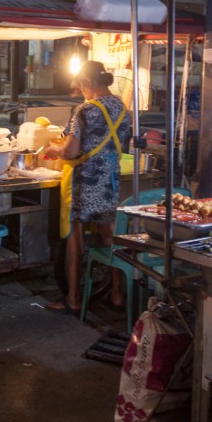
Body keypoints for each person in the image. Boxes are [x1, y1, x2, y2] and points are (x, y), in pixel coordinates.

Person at [43, 60, 131, 314]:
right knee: (109, 235)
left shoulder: (85, 110)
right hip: (110, 180)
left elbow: (71, 151)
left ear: (87, 83)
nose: (82, 92)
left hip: (85, 181)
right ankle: (116, 294)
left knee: (75, 237)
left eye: (81, 87)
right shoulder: (122, 108)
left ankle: (73, 298)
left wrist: (53, 149)